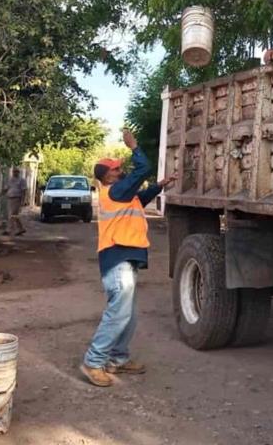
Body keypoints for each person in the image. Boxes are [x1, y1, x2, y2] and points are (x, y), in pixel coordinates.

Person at [81, 129, 175, 387]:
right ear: (106, 176)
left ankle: (118, 359)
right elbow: (142, 168)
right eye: (114, 169)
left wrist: (159, 186)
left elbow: (140, 199)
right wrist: (134, 146)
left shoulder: (122, 194)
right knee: (118, 314)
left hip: (126, 256)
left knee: (129, 315)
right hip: (117, 256)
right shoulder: (114, 190)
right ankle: (93, 361)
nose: (119, 170)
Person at [2, 168, 27, 236]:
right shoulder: (10, 180)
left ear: (19, 172)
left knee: (12, 214)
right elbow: (7, 188)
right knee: (14, 215)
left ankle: (8, 230)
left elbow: (24, 191)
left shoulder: (22, 180)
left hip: (17, 198)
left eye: (16, 172)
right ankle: (21, 228)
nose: (15, 173)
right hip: (10, 198)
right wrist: (3, 192)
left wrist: (23, 200)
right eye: (14, 172)